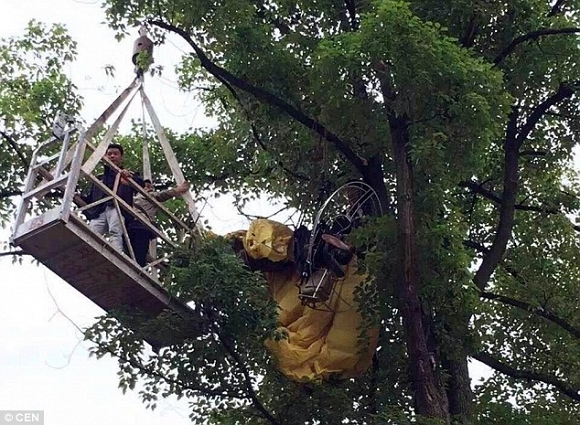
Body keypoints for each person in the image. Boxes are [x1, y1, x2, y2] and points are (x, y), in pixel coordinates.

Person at [81, 143, 144, 252]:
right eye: (109, 154)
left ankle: (117, 254)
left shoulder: (126, 174)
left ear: (121, 157)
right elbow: (91, 198)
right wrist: (77, 196)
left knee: (115, 232)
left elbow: (141, 184)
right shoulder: (99, 178)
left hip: (117, 208)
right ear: (105, 157)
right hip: (99, 210)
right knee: (91, 233)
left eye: (115, 154)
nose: (112, 156)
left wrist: (130, 177)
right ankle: (87, 254)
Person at [128, 179, 190, 266]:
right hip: (131, 224)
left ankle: (138, 269)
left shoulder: (149, 195)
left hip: (141, 224)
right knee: (129, 248)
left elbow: (163, 195)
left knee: (139, 250)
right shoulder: (133, 196)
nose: (147, 187)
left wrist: (177, 190)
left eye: (149, 186)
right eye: (145, 185)